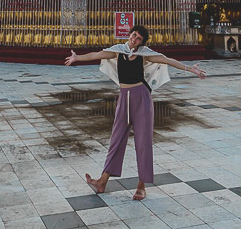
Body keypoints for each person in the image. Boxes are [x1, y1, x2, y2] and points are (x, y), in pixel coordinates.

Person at [65, 25, 206, 201]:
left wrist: (191, 69)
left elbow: (167, 60)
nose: (134, 39)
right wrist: (77, 57)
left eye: (138, 38)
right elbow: (97, 54)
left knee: (143, 141)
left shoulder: (144, 54)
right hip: (124, 98)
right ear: (129, 35)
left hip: (142, 98)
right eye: (133, 35)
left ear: (141, 42)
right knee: (116, 139)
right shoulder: (118, 51)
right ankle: (102, 181)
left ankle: (141, 186)